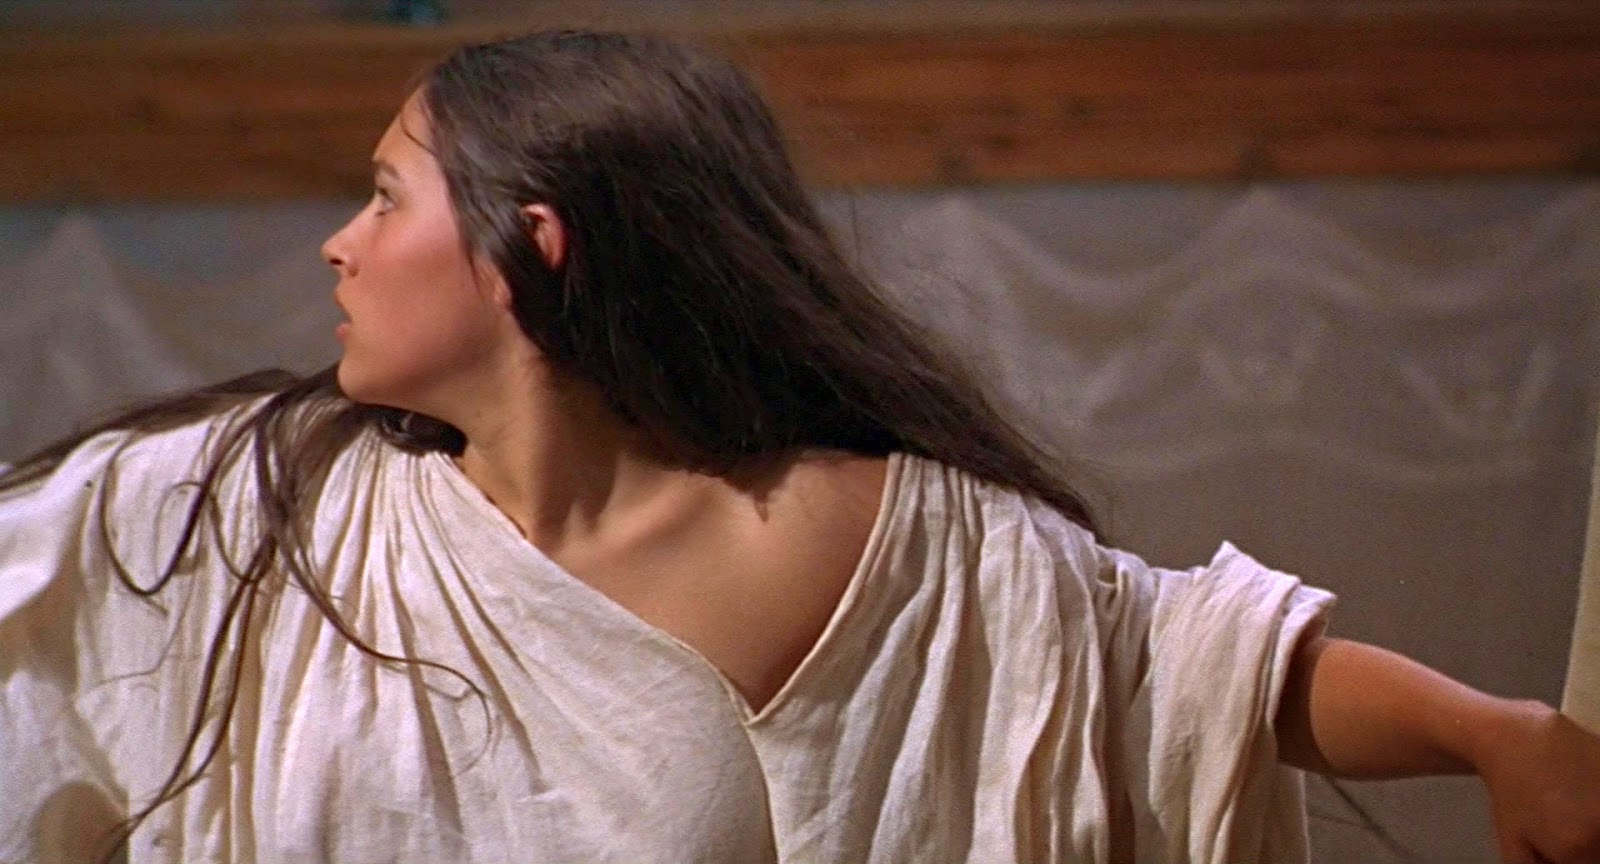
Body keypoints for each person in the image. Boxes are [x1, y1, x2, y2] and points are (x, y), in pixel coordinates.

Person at [1, 28, 1598, 864]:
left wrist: (1500, 737)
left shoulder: (877, 544)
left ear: (527, 249)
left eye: (384, 195)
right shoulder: (237, 510)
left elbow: (1191, 668)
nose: (341, 246)